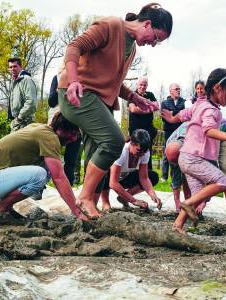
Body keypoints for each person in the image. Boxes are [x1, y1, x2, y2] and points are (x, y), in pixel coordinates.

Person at [58, 3, 172, 219]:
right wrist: (73, 81)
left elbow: (113, 81)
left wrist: (136, 97)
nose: (154, 44)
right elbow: (74, 47)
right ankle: (84, 198)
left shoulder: (133, 48)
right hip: (78, 93)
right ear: (147, 24)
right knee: (114, 141)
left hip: (100, 101)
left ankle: (87, 204)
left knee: (95, 153)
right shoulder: (111, 26)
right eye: (156, 38)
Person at [163, 67, 226, 234]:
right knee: (222, 182)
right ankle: (186, 204)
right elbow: (208, 130)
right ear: (217, 88)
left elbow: (184, 114)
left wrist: (172, 118)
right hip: (194, 158)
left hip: (186, 157)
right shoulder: (211, 110)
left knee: (197, 198)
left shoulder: (199, 103)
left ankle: (177, 226)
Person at [0, 112, 86, 220]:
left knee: (47, 168)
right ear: (61, 128)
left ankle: (7, 206)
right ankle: (1, 207)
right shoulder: (50, 138)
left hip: (0, 176)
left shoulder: (40, 128)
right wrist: (77, 212)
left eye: (77, 134)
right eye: (73, 133)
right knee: (39, 175)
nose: (74, 138)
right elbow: (59, 178)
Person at [163, 119, 226, 221]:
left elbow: (212, 175)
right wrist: (177, 203)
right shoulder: (171, 145)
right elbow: (176, 177)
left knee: (225, 168)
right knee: (187, 169)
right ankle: (188, 209)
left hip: (224, 131)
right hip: (195, 142)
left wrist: (203, 202)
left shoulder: (198, 144)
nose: (179, 163)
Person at [97, 129, 162, 211]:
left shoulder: (145, 153)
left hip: (124, 178)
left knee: (153, 176)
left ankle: (123, 197)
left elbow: (144, 178)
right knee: (104, 171)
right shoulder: (122, 151)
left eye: (143, 152)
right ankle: (105, 202)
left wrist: (153, 195)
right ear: (131, 143)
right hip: (110, 179)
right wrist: (134, 201)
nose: (141, 154)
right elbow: (113, 183)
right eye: (139, 151)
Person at [48, 74, 82, 185]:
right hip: (59, 124)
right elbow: (51, 102)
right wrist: (61, 89)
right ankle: (46, 181)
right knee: (51, 154)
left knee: (71, 158)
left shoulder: (82, 77)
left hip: (76, 122)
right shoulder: (57, 77)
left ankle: (68, 184)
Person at [128, 77, 158, 170]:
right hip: (135, 129)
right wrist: (149, 108)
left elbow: (157, 106)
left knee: (147, 151)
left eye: (144, 85)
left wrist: (142, 108)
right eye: (141, 84)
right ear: (137, 85)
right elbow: (133, 109)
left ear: (147, 85)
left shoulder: (150, 95)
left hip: (148, 129)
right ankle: (133, 172)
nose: (142, 86)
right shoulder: (132, 94)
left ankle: (147, 173)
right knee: (134, 152)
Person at [160, 83, 186, 184]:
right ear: (170, 91)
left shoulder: (184, 102)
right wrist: (179, 113)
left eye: (179, 89)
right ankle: (164, 176)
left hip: (181, 132)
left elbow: (186, 114)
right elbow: (164, 116)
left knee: (179, 153)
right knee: (167, 153)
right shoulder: (165, 102)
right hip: (169, 131)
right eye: (176, 89)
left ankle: (177, 177)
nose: (178, 91)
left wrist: (172, 114)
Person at [7, 57, 37, 132]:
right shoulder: (14, 82)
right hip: (18, 122)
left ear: (20, 67)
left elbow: (31, 102)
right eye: (10, 67)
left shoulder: (26, 80)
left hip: (25, 122)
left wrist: (19, 117)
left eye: (15, 66)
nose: (12, 69)